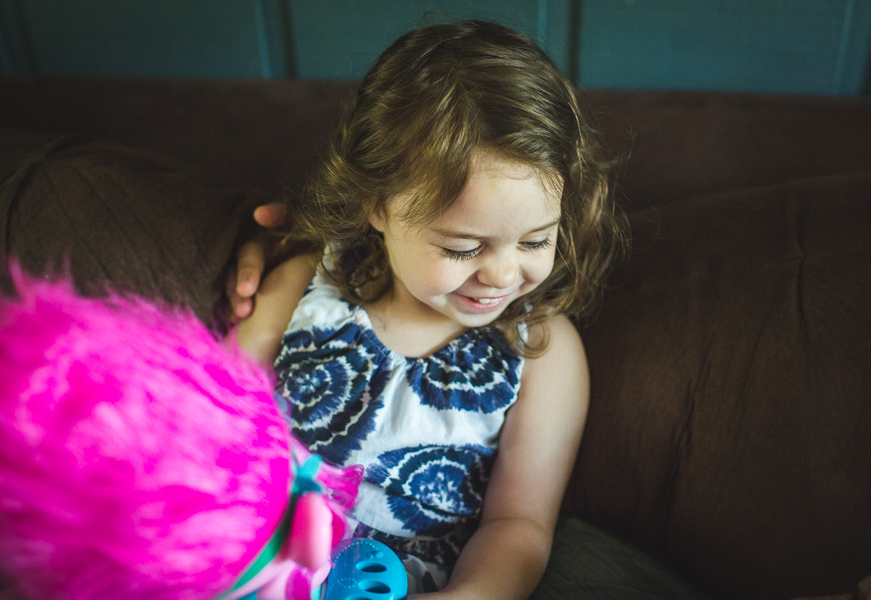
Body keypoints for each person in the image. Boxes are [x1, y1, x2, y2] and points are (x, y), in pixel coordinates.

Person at [233, 20, 628, 599]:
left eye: (536, 240)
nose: (500, 274)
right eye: (462, 247)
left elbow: (517, 524)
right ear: (376, 204)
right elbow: (213, 414)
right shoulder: (304, 289)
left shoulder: (543, 352)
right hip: (265, 562)